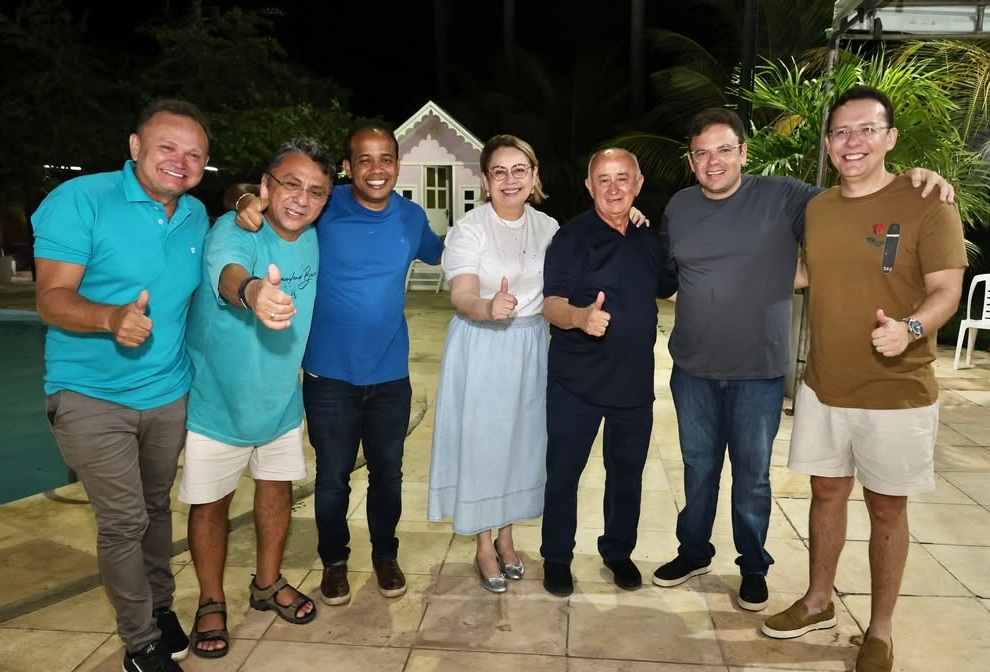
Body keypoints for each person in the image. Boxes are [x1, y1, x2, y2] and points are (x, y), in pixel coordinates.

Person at [652, 107, 955, 613]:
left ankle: (753, 565)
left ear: (744, 152)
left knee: (752, 476)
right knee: (697, 468)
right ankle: (694, 552)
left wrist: (916, 179)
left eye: (725, 149)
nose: (713, 161)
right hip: (693, 368)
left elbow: (859, 194)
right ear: (690, 160)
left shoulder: (787, 196)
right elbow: (665, 268)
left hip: (759, 370)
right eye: (702, 153)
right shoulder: (679, 207)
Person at [761, 85, 965, 672]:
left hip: (897, 390)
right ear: (828, 144)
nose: (852, 142)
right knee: (826, 494)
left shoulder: (928, 202)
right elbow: (810, 271)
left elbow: (946, 290)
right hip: (824, 385)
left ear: (890, 138)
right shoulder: (820, 208)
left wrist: (910, 328)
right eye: (841, 132)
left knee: (886, 508)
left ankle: (880, 629)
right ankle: (818, 601)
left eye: (866, 130)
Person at [232, 120, 444, 606]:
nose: (376, 169)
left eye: (385, 159)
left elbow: (449, 254)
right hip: (328, 376)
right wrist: (243, 198)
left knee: (388, 475)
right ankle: (334, 561)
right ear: (348, 167)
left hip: (391, 376)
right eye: (364, 159)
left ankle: (385, 556)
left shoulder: (411, 218)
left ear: (398, 165)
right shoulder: (325, 206)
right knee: (332, 478)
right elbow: (258, 196)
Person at [31, 99, 210, 672]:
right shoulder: (80, 199)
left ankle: (160, 606)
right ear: (135, 147)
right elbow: (50, 298)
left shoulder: (195, 215)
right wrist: (110, 317)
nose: (180, 161)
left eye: (195, 155)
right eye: (167, 147)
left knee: (155, 508)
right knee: (124, 520)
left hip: (167, 394)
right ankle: (141, 642)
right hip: (90, 395)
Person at [179, 138, 333, 658]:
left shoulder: (313, 238)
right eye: (291, 184)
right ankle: (210, 599)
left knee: (275, 492)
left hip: (281, 399)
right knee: (211, 504)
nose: (302, 199)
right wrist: (253, 293)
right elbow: (229, 273)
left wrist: (240, 192)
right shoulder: (235, 228)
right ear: (267, 186)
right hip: (218, 401)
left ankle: (267, 584)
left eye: (316, 191)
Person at [539, 148, 677, 597]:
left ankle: (618, 551)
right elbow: (551, 304)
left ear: (638, 185)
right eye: (603, 179)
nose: (614, 188)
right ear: (589, 186)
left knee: (627, 476)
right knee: (564, 475)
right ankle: (556, 556)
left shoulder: (648, 238)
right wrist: (580, 318)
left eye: (622, 179)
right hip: (575, 383)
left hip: (633, 384)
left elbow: (671, 288)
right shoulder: (571, 238)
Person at [427, 134, 558, 593]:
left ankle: (507, 536)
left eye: (519, 169)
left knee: (520, 442)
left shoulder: (549, 228)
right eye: (498, 171)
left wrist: (631, 217)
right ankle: (484, 544)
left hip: (530, 346)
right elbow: (462, 294)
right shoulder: (471, 228)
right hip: (482, 344)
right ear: (485, 180)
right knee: (482, 444)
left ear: (534, 175)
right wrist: (488, 307)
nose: (510, 179)